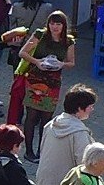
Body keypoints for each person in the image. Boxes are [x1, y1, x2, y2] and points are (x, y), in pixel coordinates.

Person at [11, 12, 78, 159]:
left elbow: (71, 62)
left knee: (46, 118)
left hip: (53, 81)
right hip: (35, 78)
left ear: (63, 26)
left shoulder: (68, 41)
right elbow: (23, 53)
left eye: (58, 24)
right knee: (32, 115)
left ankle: (43, 150)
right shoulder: (40, 35)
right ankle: (29, 151)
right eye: (52, 23)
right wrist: (37, 62)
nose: (55, 27)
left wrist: (61, 64)